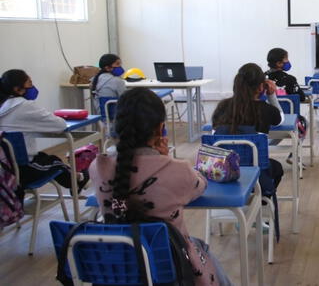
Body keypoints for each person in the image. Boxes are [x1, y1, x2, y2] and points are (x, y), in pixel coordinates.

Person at [90, 88, 231, 286]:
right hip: (169, 264)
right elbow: (200, 185)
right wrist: (165, 159)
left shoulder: (97, 167)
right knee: (203, 249)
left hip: (116, 265)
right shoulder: (177, 170)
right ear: (160, 128)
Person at [0, 69, 87, 191]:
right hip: (23, 171)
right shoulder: (24, 106)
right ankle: (78, 180)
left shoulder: (3, 105)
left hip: (4, 170)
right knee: (56, 163)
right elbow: (60, 125)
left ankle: (78, 180)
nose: (32, 87)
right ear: (17, 89)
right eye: (29, 83)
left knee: (44, 157)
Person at [212, 63, 284, 191]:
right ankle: (263, 197)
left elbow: (214, 134)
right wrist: (271, 95)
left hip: (221, 171)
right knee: (277, 168)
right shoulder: (266, 110)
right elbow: (280, 121)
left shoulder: (222, 106)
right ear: (261, 87)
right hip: (257, 173)